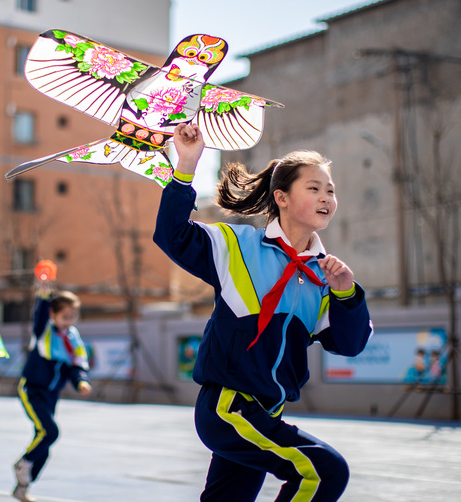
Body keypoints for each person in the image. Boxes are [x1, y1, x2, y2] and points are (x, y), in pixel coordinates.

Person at [153, 123, 373, 502]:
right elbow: (172, 235)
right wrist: (186, 165)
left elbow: (350, 345)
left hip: (265, 413)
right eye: (314, 188)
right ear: (282, 198)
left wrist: (347, 294)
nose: (326, 197)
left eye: (331, 190)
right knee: (323, 472)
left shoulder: (326, 276)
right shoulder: (236, 245)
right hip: (228, 407)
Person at [13, 282, 92, 502]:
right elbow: (38, 317)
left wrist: (81, 382)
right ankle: (23, 463)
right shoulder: (43, 332)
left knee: (45, 444)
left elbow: (76, 365)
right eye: (65, 316)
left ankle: (22, 486)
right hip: (32, 390)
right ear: (53, 314)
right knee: (50, 433)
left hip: (51, 395)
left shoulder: (73, 337)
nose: (69, 321)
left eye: (73, 316)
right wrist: (44, 294)